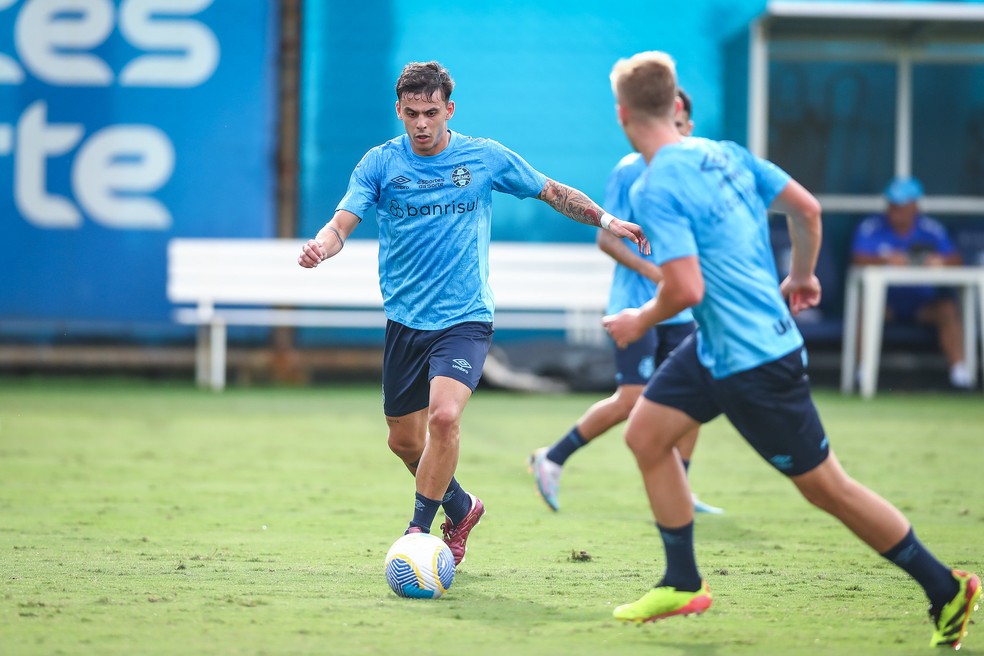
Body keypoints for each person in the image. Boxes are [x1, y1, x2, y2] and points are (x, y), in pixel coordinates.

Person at [602, 50, 980, 648]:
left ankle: (945, 587)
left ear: (623, 114)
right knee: (646, 434)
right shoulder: (728, 154)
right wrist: (802, 275)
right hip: (717, 349)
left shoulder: (654, 187)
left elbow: (685, 288)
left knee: (827, 488)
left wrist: (637, 320)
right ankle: (682, 581)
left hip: (756, 363)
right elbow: (807, 209)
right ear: (676, 106)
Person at [297, 61, 649, 567]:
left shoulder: (483, 157)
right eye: (412, 113)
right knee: (403, 441)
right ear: (398, 110)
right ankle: (462, 507)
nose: (421, 123)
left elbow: (552, 191)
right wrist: (321, 246)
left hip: (464, 319)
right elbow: (341, 222)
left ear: (449, 110)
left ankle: (419, 531)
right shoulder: (379, 163)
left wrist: (608, 219)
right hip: (405, 323)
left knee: (444, 416)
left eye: (432, 113)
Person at [529, 88, 722, 515]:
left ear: (688, 125)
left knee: (694, 394)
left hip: (681, 307)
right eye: (665, 120)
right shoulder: (629, 171)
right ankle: (553, 457)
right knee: (632, 399)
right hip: (633, 306)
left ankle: (680, 489)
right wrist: (658, 273)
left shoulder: (694, 171)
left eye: (680, 122)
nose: (674, 128)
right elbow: (607, 239)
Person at [851, 177, 971, 389]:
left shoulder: (930, 228)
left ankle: (961, 377)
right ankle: (862, 376)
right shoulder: (871, 227)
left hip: (921, 304)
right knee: (867, 310)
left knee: (948, 309)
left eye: (901, 206)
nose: (895, 211)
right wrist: (887, 259)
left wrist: (938, 260)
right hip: (886, 303)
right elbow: (857, 259)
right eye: (892, 205)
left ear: (914, 206)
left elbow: (956, 259)